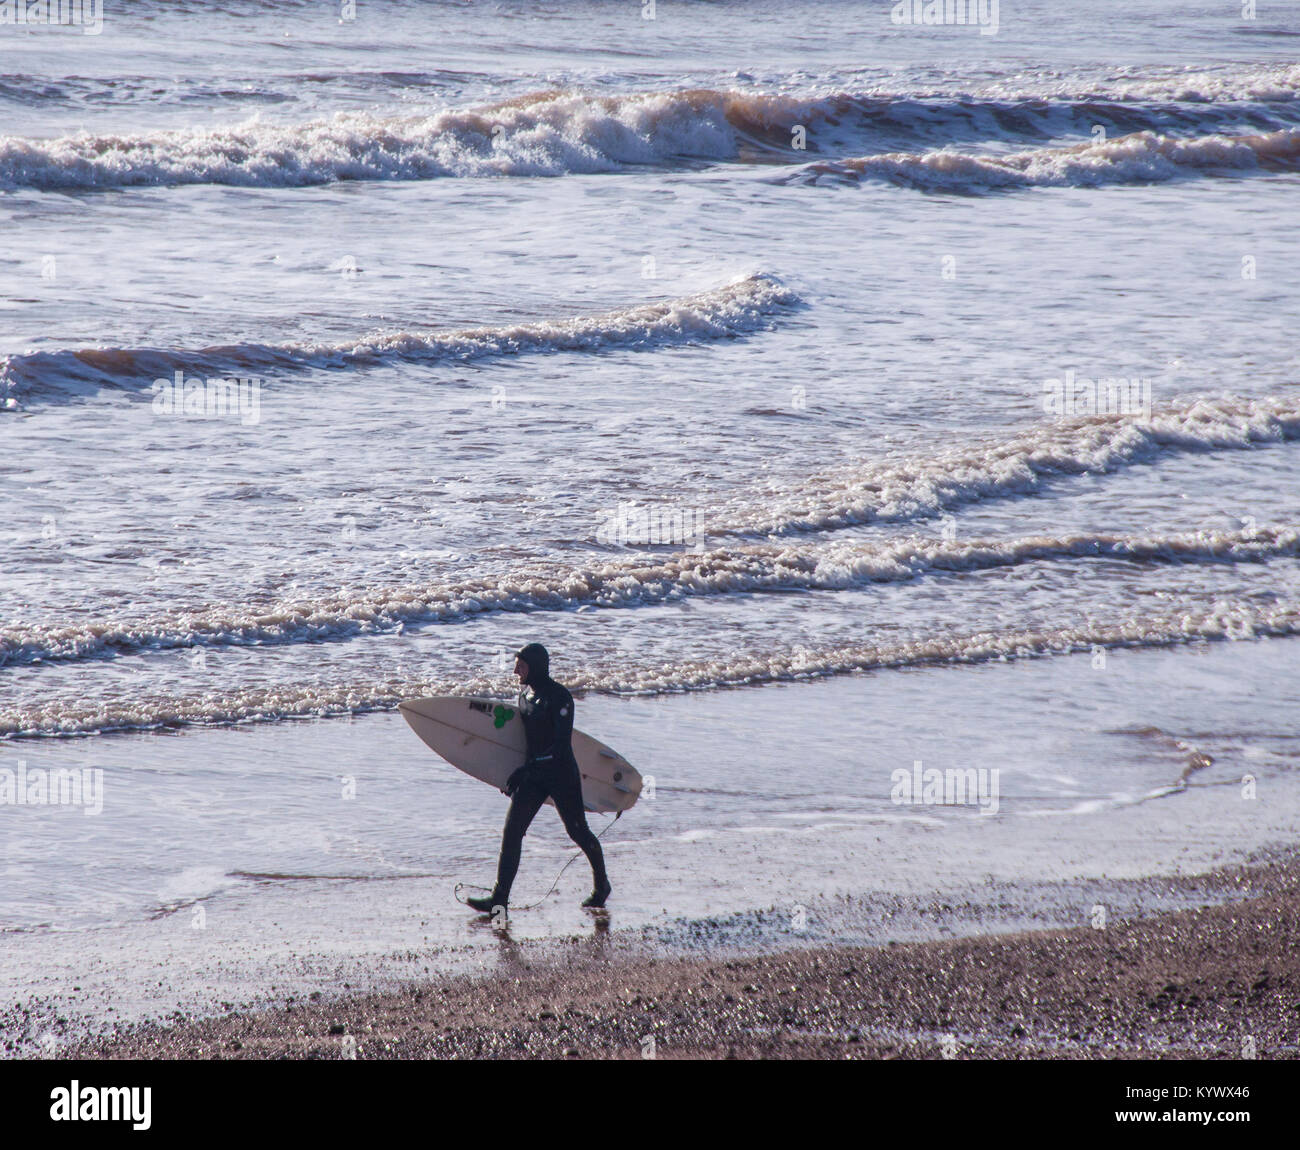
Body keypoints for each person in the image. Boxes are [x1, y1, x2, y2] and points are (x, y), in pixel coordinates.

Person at [466, 643, 611, 915]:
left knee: (577, 831)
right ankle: (499, 899)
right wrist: (504, 773)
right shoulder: (525, 697)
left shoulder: (560, 698)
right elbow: (519, 743)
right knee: (512, 833)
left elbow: (558, 746)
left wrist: (526, 770)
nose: (515, 671)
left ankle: (602, 886)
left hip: (560, 774)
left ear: (536, 666)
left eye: (521, 666)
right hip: (533, 775)